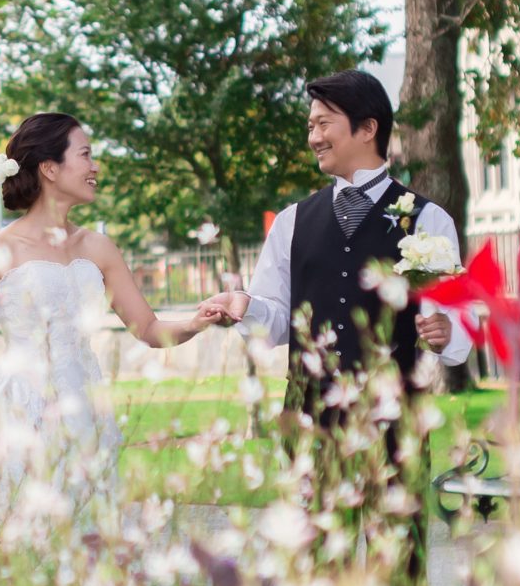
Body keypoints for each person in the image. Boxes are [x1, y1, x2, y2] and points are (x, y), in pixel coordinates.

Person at [0, 112, 217, 523]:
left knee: (87, 531)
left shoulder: (98, 247)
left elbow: (150, 329)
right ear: (50, 168)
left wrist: (196, 321)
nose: (95, 167)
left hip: (86, 411)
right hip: (22, 416)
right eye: (85, 155)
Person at [196, 70, 470, 384]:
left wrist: (447, 332)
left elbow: (456, 318)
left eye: (324, 124)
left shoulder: (428, 219)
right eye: (310, 127)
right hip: (307, 409)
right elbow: (277, 324)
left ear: (367, 128)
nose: (314, 138)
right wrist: (247, 307)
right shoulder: (291, 222)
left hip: (392, 407)